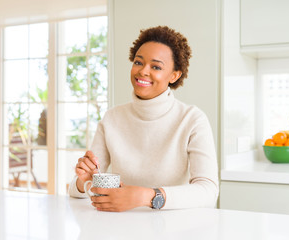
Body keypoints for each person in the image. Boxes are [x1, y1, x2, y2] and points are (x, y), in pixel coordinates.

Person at [69, 26, 219, 212]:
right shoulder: (112, 118)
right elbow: (76, 190)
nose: (143, 71)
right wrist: (84, 181)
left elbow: (208, 191)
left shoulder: (192, 119)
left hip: (172, 228)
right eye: (138, 62)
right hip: (119, 225)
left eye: (156, 67)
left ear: (174, 75)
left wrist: (147, 196)